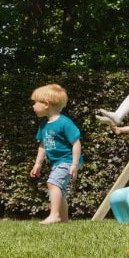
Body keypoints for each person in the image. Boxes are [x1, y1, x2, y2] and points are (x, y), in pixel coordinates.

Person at [29, 84, 82, 225]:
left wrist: (75, 164)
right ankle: (63, 220)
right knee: (59, 189)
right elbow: (42, 145)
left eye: (35, 102)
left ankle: (54, 215)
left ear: (46, 104)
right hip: (57, 162)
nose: (33, 106)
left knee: (53, 183)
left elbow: (76, 143)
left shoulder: (65, 123)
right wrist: (38, 164)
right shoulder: (44, 124)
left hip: (68, 160)